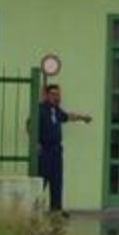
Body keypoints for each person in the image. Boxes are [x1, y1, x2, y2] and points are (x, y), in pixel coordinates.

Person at [35, 83, 91, 212]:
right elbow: (30, 125)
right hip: (45, 150)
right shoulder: (40, 109)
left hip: (56, 150)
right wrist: (36, 143)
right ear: (46, 95)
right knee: (41, 180)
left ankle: (56, 209)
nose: (57, 97)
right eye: (54, 94)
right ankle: (34, 209)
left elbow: (68, 116)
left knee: (57, 180)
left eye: (58, 95)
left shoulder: (57, 110)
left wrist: (83, 118)